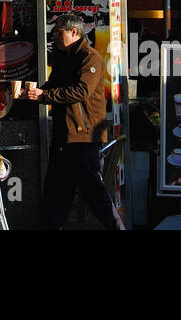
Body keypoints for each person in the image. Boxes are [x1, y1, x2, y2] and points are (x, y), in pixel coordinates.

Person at [25, 14, 119, 229]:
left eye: (57, 32)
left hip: (84, 136)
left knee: (95, 193)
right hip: (63, 136)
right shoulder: (63, 57)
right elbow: (53, 85)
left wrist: (43, 95)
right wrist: (31, 93)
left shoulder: (90, 57)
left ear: (73, 32)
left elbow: (81, 91)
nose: (54, 37)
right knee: (55, 195)